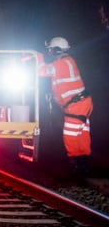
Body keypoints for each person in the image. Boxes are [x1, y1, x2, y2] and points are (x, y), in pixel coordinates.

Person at [28, 37, 93, 175]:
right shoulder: (66, 61)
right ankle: (84, 162)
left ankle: (76, 164)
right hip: (81, 103)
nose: (49, 51)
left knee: (70, 135)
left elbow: (41, 72)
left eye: (50, 49)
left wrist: (38, 57)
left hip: (76, 105)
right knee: (81, 134)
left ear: (56, 50)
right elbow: (61, 84)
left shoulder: (61, 64)